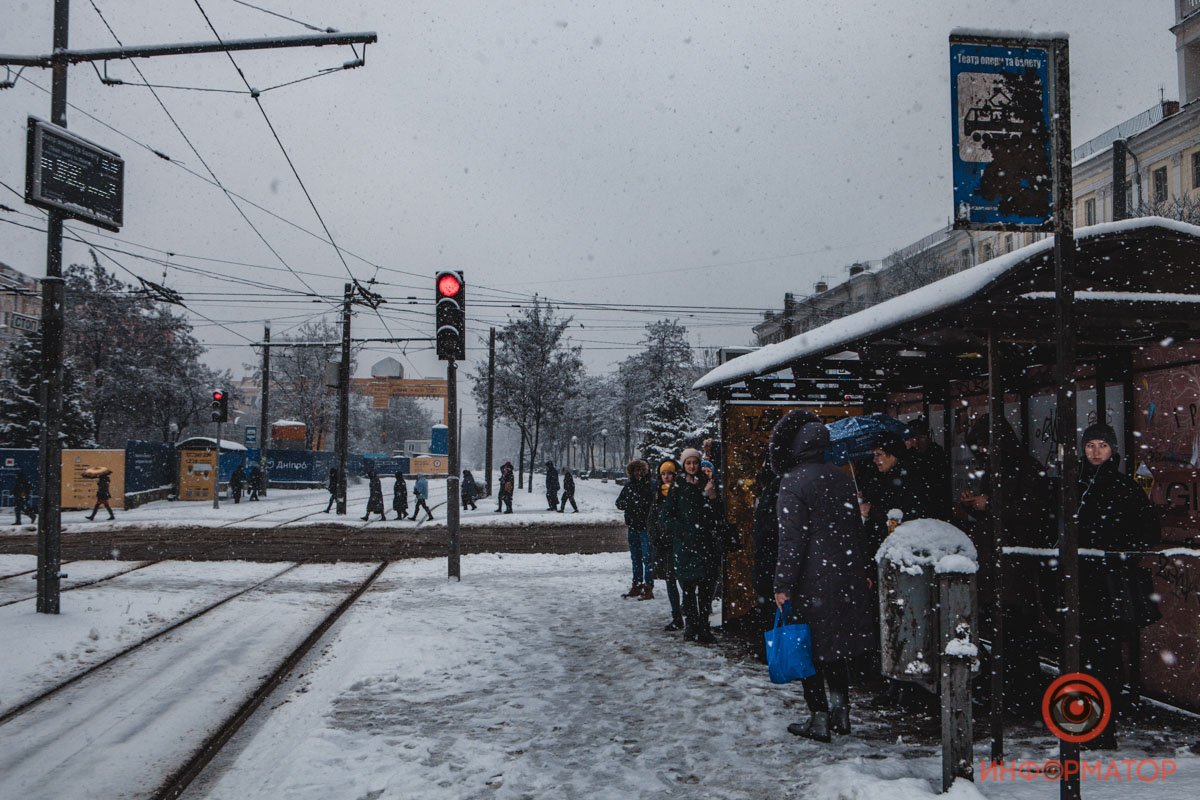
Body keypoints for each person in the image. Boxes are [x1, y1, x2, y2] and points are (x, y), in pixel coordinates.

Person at [771, 409, 876, 743]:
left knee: (808, 647)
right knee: (836, 646)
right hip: (844, 574)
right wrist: (863, 569)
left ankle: (818, 717)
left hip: (810, 579)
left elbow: (791, 540)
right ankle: (841, 711)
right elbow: (856, 529)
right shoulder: (841, 477)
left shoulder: (793, 481)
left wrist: (783, 584)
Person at [959, 414, 1056, 716]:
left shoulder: (1024, 469)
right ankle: (1013, 692)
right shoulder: (1002, 469)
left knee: (1016, 634)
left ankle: (1019, 694)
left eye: (985, 445)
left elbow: (1033, 512)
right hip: (1004, 564)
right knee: (1008, 633)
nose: (982, 451)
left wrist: (988, 505)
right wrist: (978, 506)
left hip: (1015, 565)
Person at [1076, 423, 1161, 748]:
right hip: (1085, 583)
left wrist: (1117, 552)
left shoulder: (1122, 487)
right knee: (1089, 654)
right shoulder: (1077, 484)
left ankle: (1102, 726)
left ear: (1113, 450)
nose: (1096, 451)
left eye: (1102, 445)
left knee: (1103, 655)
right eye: (1091, 445)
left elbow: (1148, 531)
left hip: (1108, 585)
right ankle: (1092, 722)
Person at [663, 447, 722, 644]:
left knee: (706, 589)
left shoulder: (708, 483)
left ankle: (703, 626)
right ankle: (691, 625)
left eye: (695, 462)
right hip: (686, 546)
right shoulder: (677, 486)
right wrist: (681, 530)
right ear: (683, 465)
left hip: (706, 544)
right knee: (688, 589)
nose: (692, 466)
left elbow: (717, 514)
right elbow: (666, 516)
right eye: (688, 463)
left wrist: (711, 496)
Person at [859, 432, 933, 550]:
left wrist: (872, 511)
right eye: (874, 455)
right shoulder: (879, 476)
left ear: (893, 455)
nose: (874, 459)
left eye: (879, 454)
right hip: (882, 542)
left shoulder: (910, 478)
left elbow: (906, 516)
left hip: (901, 545)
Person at [648, 460, 684, 629]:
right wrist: (655, 537)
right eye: (663, 473)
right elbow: (652, 518)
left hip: (678, 544)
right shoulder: (658, 494)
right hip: (664, 545)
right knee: (670, 581)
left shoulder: (681, 492)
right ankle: (677, 616)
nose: (666, 477)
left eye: (669, 473)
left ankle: (689, 613)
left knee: (684, 581)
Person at [615, 459, 656, 600]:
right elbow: (619, 503)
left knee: (647, 558)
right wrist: (628, 503)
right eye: (635, 471)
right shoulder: (629, 486)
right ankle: (637, 585)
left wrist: (641, 505)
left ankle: (648, 587)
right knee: (636, 558)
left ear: (645, 472)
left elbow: (656, 504)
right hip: (633, 526)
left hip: (646, 527)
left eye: (641, 470)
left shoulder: (651, 485)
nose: (638, 473)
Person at [750, 455, 780, 631]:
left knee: (769, 599)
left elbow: (770, 523)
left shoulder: (774, 488)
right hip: (768, 552)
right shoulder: (770, 488)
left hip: (770, 552)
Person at [903, 416, 950, 518]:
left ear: (928, 437)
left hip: (934, 506)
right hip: (915, 506)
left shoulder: (935, 453)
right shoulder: (907, 454)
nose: (916, 442)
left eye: (921, 437)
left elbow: (936, 481)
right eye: (912, 438)